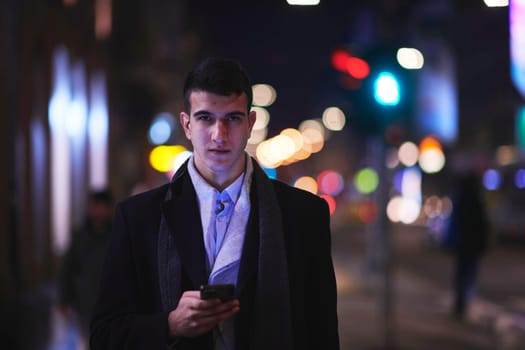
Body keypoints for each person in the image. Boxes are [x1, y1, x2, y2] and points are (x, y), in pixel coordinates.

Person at [90, 57, 340, 349]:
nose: (218, 135)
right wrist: (170, 325)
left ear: (250, 123)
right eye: (205, 118)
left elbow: (322, 335)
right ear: (186, 124)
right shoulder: (138, 218)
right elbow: (104, 336)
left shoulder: (304, 215)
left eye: (232, 119)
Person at [59, 189, 114, 342]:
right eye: (96, 206)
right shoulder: (80, 236)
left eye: (103, 207)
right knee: (86, 338)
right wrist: (64, 300)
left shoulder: (117, 233)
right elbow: (68, 269)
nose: (99, 211)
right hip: (84, 300)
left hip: (111, 300)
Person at [447, 171, 489, 319]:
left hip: (464, 245)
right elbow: (482, 225)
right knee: (467, 275)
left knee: (461, 275)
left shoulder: (462, 200)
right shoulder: (476, 201)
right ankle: (462, 304)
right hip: (471, 246)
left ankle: (460, 305)